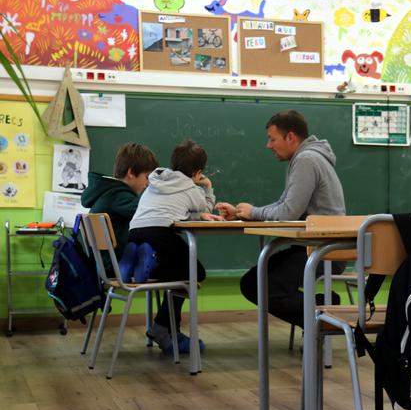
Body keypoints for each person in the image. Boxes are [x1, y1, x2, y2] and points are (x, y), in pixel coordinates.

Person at [215, 110, 346, 328]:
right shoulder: (306, 158)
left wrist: (254, 212)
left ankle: (324, 317)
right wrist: (242, 213)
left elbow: (287, 213)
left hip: (324, 251)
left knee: (259, 285)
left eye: (272, 139)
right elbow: (283, 204)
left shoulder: (306, 160)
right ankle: (322, 310)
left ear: (291, 137)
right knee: (252, 282)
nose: (269, 145)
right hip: (313, 247)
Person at [128, 139, 222, 352]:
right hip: (160, 234)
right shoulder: (191, 188)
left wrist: (193, 213)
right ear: (198, 171)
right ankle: (164, 327)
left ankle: (147, 263)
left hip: (135, 233)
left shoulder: (155, 182)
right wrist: (207, 187)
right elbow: (207, 207)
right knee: (194, 272)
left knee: (177, 273)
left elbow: (179, 209)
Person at [81, 142, 158, 259]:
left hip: (104, 265)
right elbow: (146, 210)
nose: (148, 184)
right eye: (147, 177)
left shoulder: (108, 192)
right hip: (115, 265)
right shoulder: (118, 196)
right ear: (131, 173)